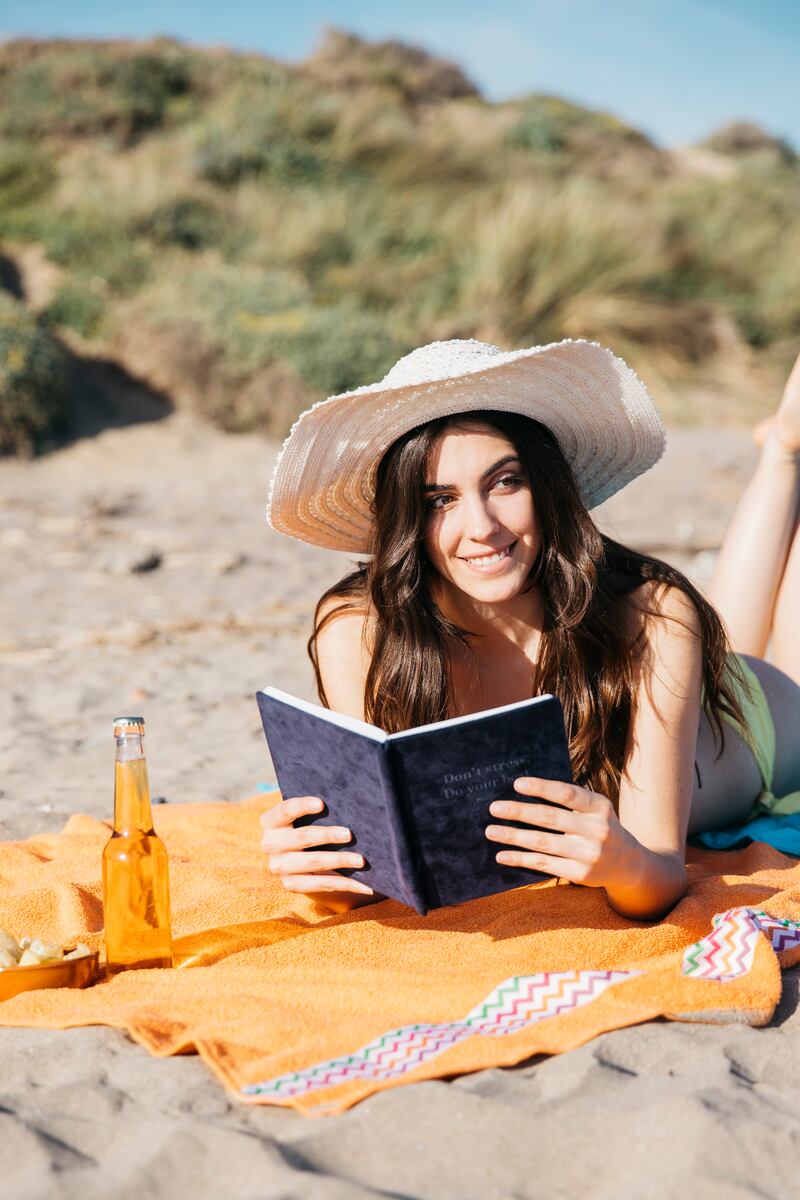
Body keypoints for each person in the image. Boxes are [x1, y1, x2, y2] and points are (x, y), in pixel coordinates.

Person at [260, 338, 800, 920]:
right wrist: (323, 873)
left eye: (505, 482)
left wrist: (621, 864)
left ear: (546, 485)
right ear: (406, 518)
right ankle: (785, 451)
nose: (482, 527)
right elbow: (370, 867)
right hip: (675, 684)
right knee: (715, 632)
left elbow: (661, 873)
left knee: (719, 639)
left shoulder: (655, 617)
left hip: (760, 730)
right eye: (439, 498)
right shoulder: (358, 630)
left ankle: (787, 456)